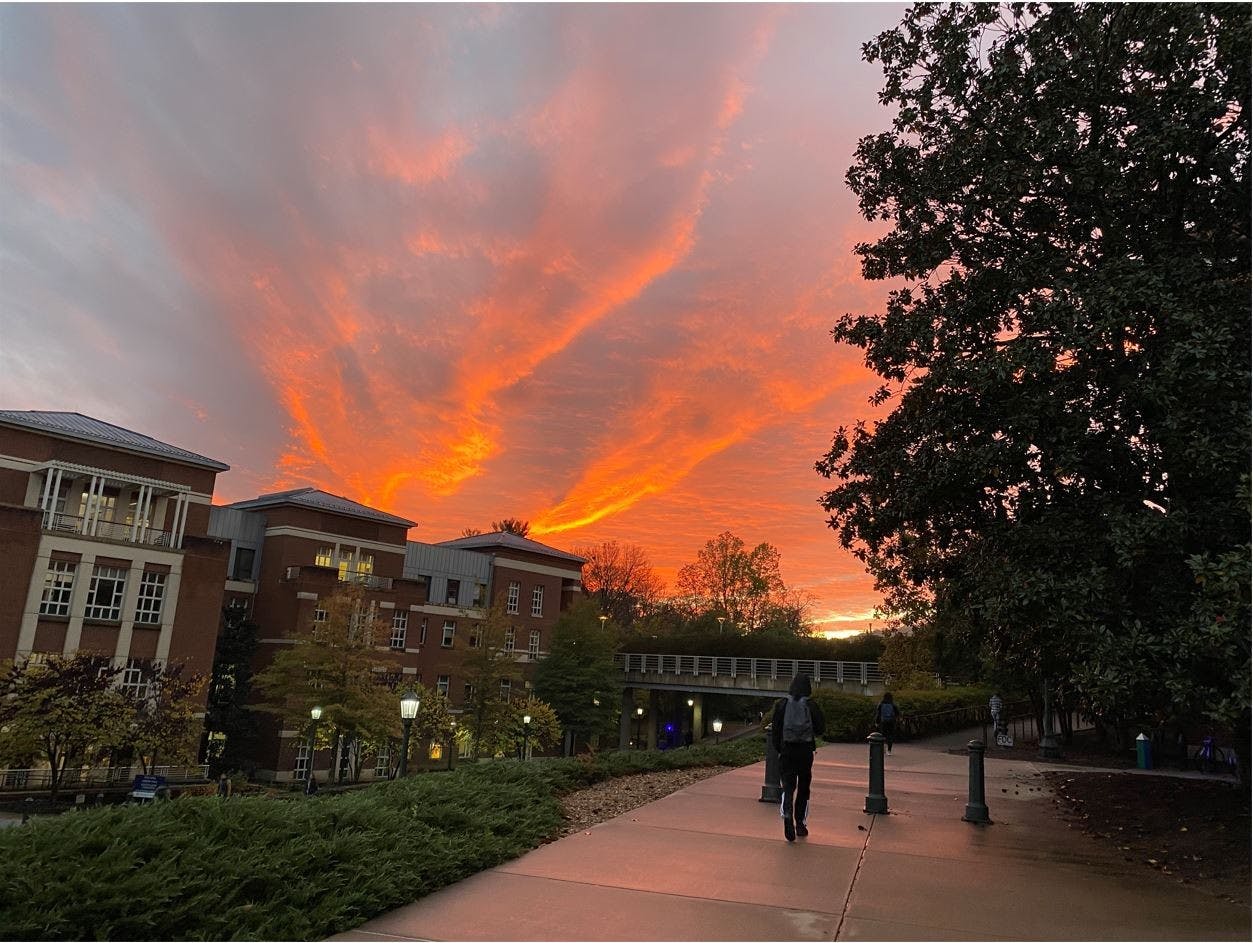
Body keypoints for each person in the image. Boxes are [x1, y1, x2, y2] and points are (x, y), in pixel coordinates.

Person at [771, 675, 826, 843]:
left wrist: (780, 748)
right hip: (805, 751)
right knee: (803, 786)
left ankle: (787, 811)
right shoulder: (811, 705)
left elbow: (775, 731)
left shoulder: (782, 704)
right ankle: (800, 823)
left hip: (787, 750)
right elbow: (820, 729)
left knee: (788, 786)